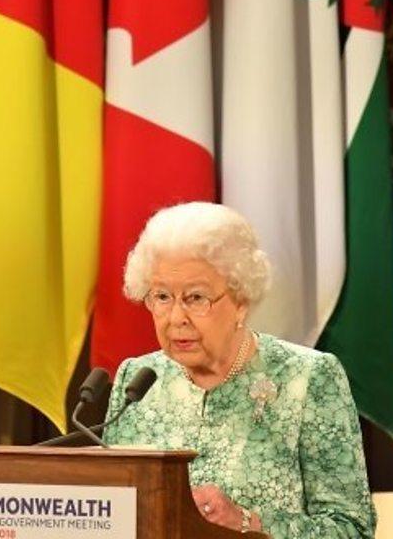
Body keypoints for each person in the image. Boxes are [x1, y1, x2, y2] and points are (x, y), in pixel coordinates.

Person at [102, 202, 377, 538]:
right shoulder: (138, 380)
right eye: (161, 296)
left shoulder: (308, 378)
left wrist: (249, 523)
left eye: (196, 298)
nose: (176, 318)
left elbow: (353, 529)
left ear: (241, 301)